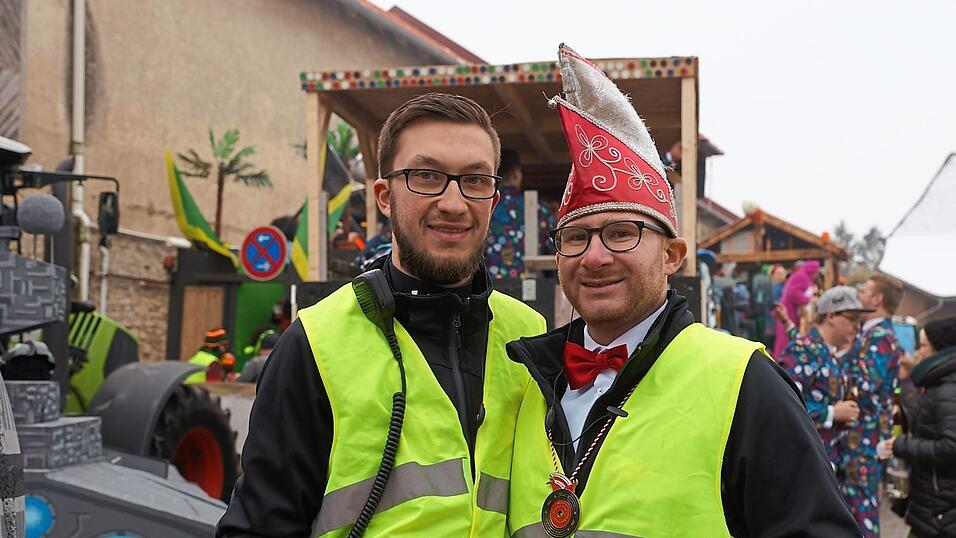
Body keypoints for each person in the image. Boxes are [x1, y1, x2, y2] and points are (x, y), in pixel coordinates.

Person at [505, 44, 858, 537]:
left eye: (622, 233)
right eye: (576, 238)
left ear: (672, 256)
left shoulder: (745, 382)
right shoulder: (523, 385)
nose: (595, 256)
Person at [216, 93, 547, 537]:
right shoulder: (317, 342)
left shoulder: (531, 336)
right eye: (426, 176)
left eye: (474, 180)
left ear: (493, 198)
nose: (453, 202)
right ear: (384, 197)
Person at [840, 274, 905, 536]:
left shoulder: (881, 337)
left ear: (877, 299)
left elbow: (865, 386)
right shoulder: (870, 335)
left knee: (862, 510)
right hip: (859, 438)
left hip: (866, 439)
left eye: (864, 290)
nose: (859, 295)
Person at [781, 286, 870, 469]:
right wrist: (831, 413)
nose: (857, 327)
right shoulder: (802, 350)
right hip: (804, 464)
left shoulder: (829, 354)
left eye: (860, 321)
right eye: (852, 319)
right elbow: (783, 406)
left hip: (824, 461)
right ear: (830, 316)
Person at [889, 317, 956, 538]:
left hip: (941, 512)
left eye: (924, 344)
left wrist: (902, 445)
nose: (919, 350)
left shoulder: (947, 389)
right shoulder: (939, 383)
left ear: (941, 350)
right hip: (936, 508)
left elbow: (950, 447)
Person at [485, 148, 555, 279]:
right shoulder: (540, 210)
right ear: (516, 174)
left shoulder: (483, 205)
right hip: (532, 288)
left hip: (486, 287)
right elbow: (553, 254)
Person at [774, 260, 822, 361]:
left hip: (794, 314)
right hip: (790, 313)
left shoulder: (803, 277)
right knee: (786, 340)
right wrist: (808, 299)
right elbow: (793, 294)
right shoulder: (802, 276)